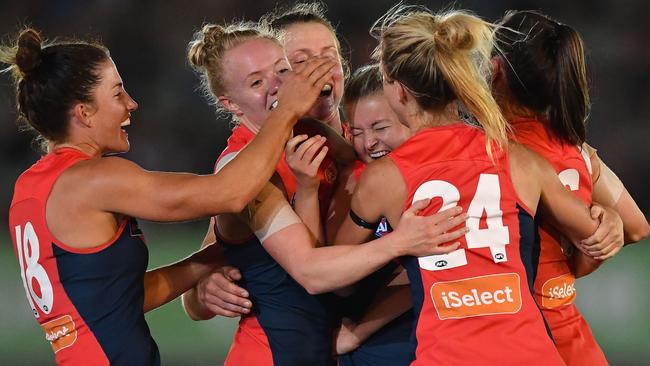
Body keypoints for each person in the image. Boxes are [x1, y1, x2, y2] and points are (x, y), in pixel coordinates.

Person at [2, 26, 334, 365]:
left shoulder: (31, 188)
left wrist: (213, 259)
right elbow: (230, 193)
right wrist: (287, 110)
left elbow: (117, 298)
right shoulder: (92, 179)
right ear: (84, 113)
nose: (131, 103)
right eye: (117, 94)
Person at [333, 6, 623, 365]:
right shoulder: (518, 159)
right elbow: (599, 239)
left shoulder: (384, 178)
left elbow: (337, 274)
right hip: (532, 354)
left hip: (449, 355)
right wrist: (610, 218)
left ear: (398, 90)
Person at [178, 21, 468, 366]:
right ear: (231, 104)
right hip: (279, 351)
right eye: (257, 82)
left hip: (347, 344)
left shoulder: (343, 140)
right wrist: (202, 287)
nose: (281, 85)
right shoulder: (243, 171)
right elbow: (304, 271)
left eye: (283, 70)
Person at [492, 10, 650, 365]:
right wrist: (580, 261)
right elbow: (637, 227)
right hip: (572, 334)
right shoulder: (576, 148)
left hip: (518, 330)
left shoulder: (494, 150)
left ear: (495, 69)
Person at [184, 1, 353, 320]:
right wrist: (205, 286)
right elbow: (197, 300)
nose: (318, 70)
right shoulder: (247, 168)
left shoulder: (372, 137)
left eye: (328, 57)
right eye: (301, 61)